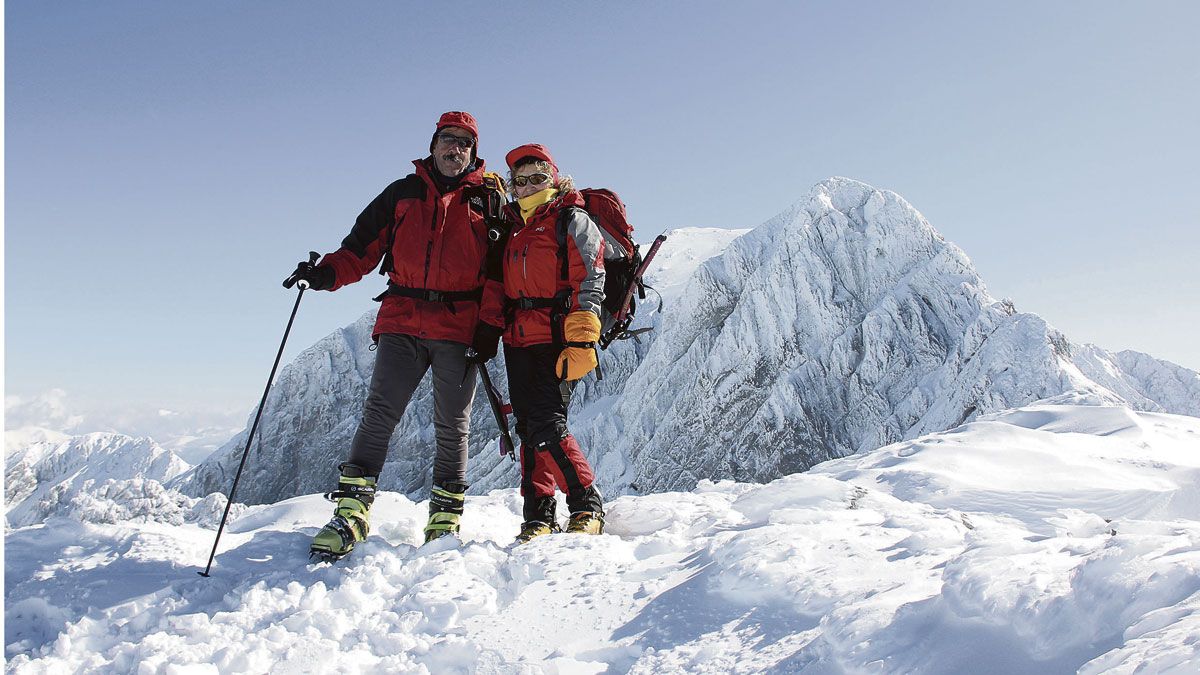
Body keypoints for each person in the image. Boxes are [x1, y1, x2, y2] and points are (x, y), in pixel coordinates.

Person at [287, 111, 508, 560]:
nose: (456, 149)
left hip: (458, 325)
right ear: (433, 144)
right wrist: (327, 273)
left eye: (465, 143)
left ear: (474, 152)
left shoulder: (488, 201)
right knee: (379, 414)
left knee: (453, 424)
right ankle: (352, 511)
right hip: (403, 319)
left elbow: (499, 271)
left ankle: (444, 519)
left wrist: (488, 326)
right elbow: (360, 249)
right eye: (449, 139)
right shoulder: (401, 194)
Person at [499, 143, 607, 543]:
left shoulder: (570, 219)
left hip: (559, 338)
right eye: (520, 181)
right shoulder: (513, 226)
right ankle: (538, 516)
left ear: (554, 179)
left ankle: (585, 503)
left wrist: (582, 340)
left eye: (538, 178)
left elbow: (590, 278)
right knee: (528, 427)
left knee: (547, 424)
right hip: (518, 340)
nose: (528, 187)